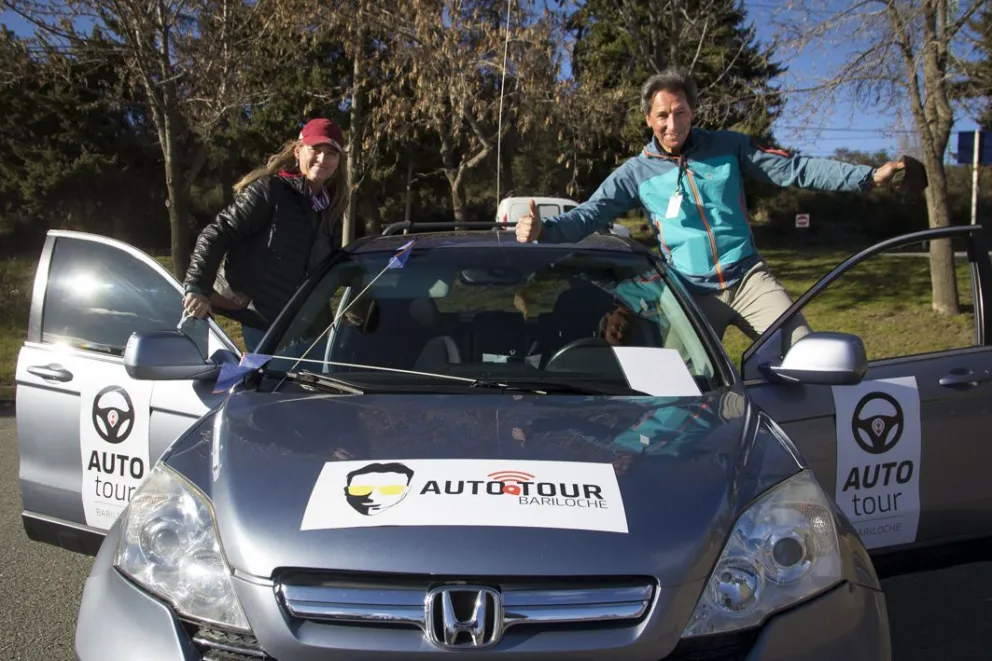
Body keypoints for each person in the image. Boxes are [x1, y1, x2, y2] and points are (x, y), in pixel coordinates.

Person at [515, 65, 915, 354]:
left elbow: (796, 169)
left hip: (749, 279)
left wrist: (869, 176)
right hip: (690, 293)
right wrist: (544, 230)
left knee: (806, 356)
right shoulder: (635, 173)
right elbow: (590, 213)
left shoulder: (728, 147)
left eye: (681, 112)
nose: (673, 124)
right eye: (663, 115)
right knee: (676, 391)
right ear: (648, 118)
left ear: (693, 111)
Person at [182, 118, 350, 351]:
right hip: (261, 320)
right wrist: (197, 287)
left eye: (331, 153)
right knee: (273, 383)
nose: (323, 159)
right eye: (316, 149)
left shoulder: (331, 207)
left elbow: (323, 266)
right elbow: (217, 233)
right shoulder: (270, 191)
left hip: (305, 324)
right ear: (298, 151)